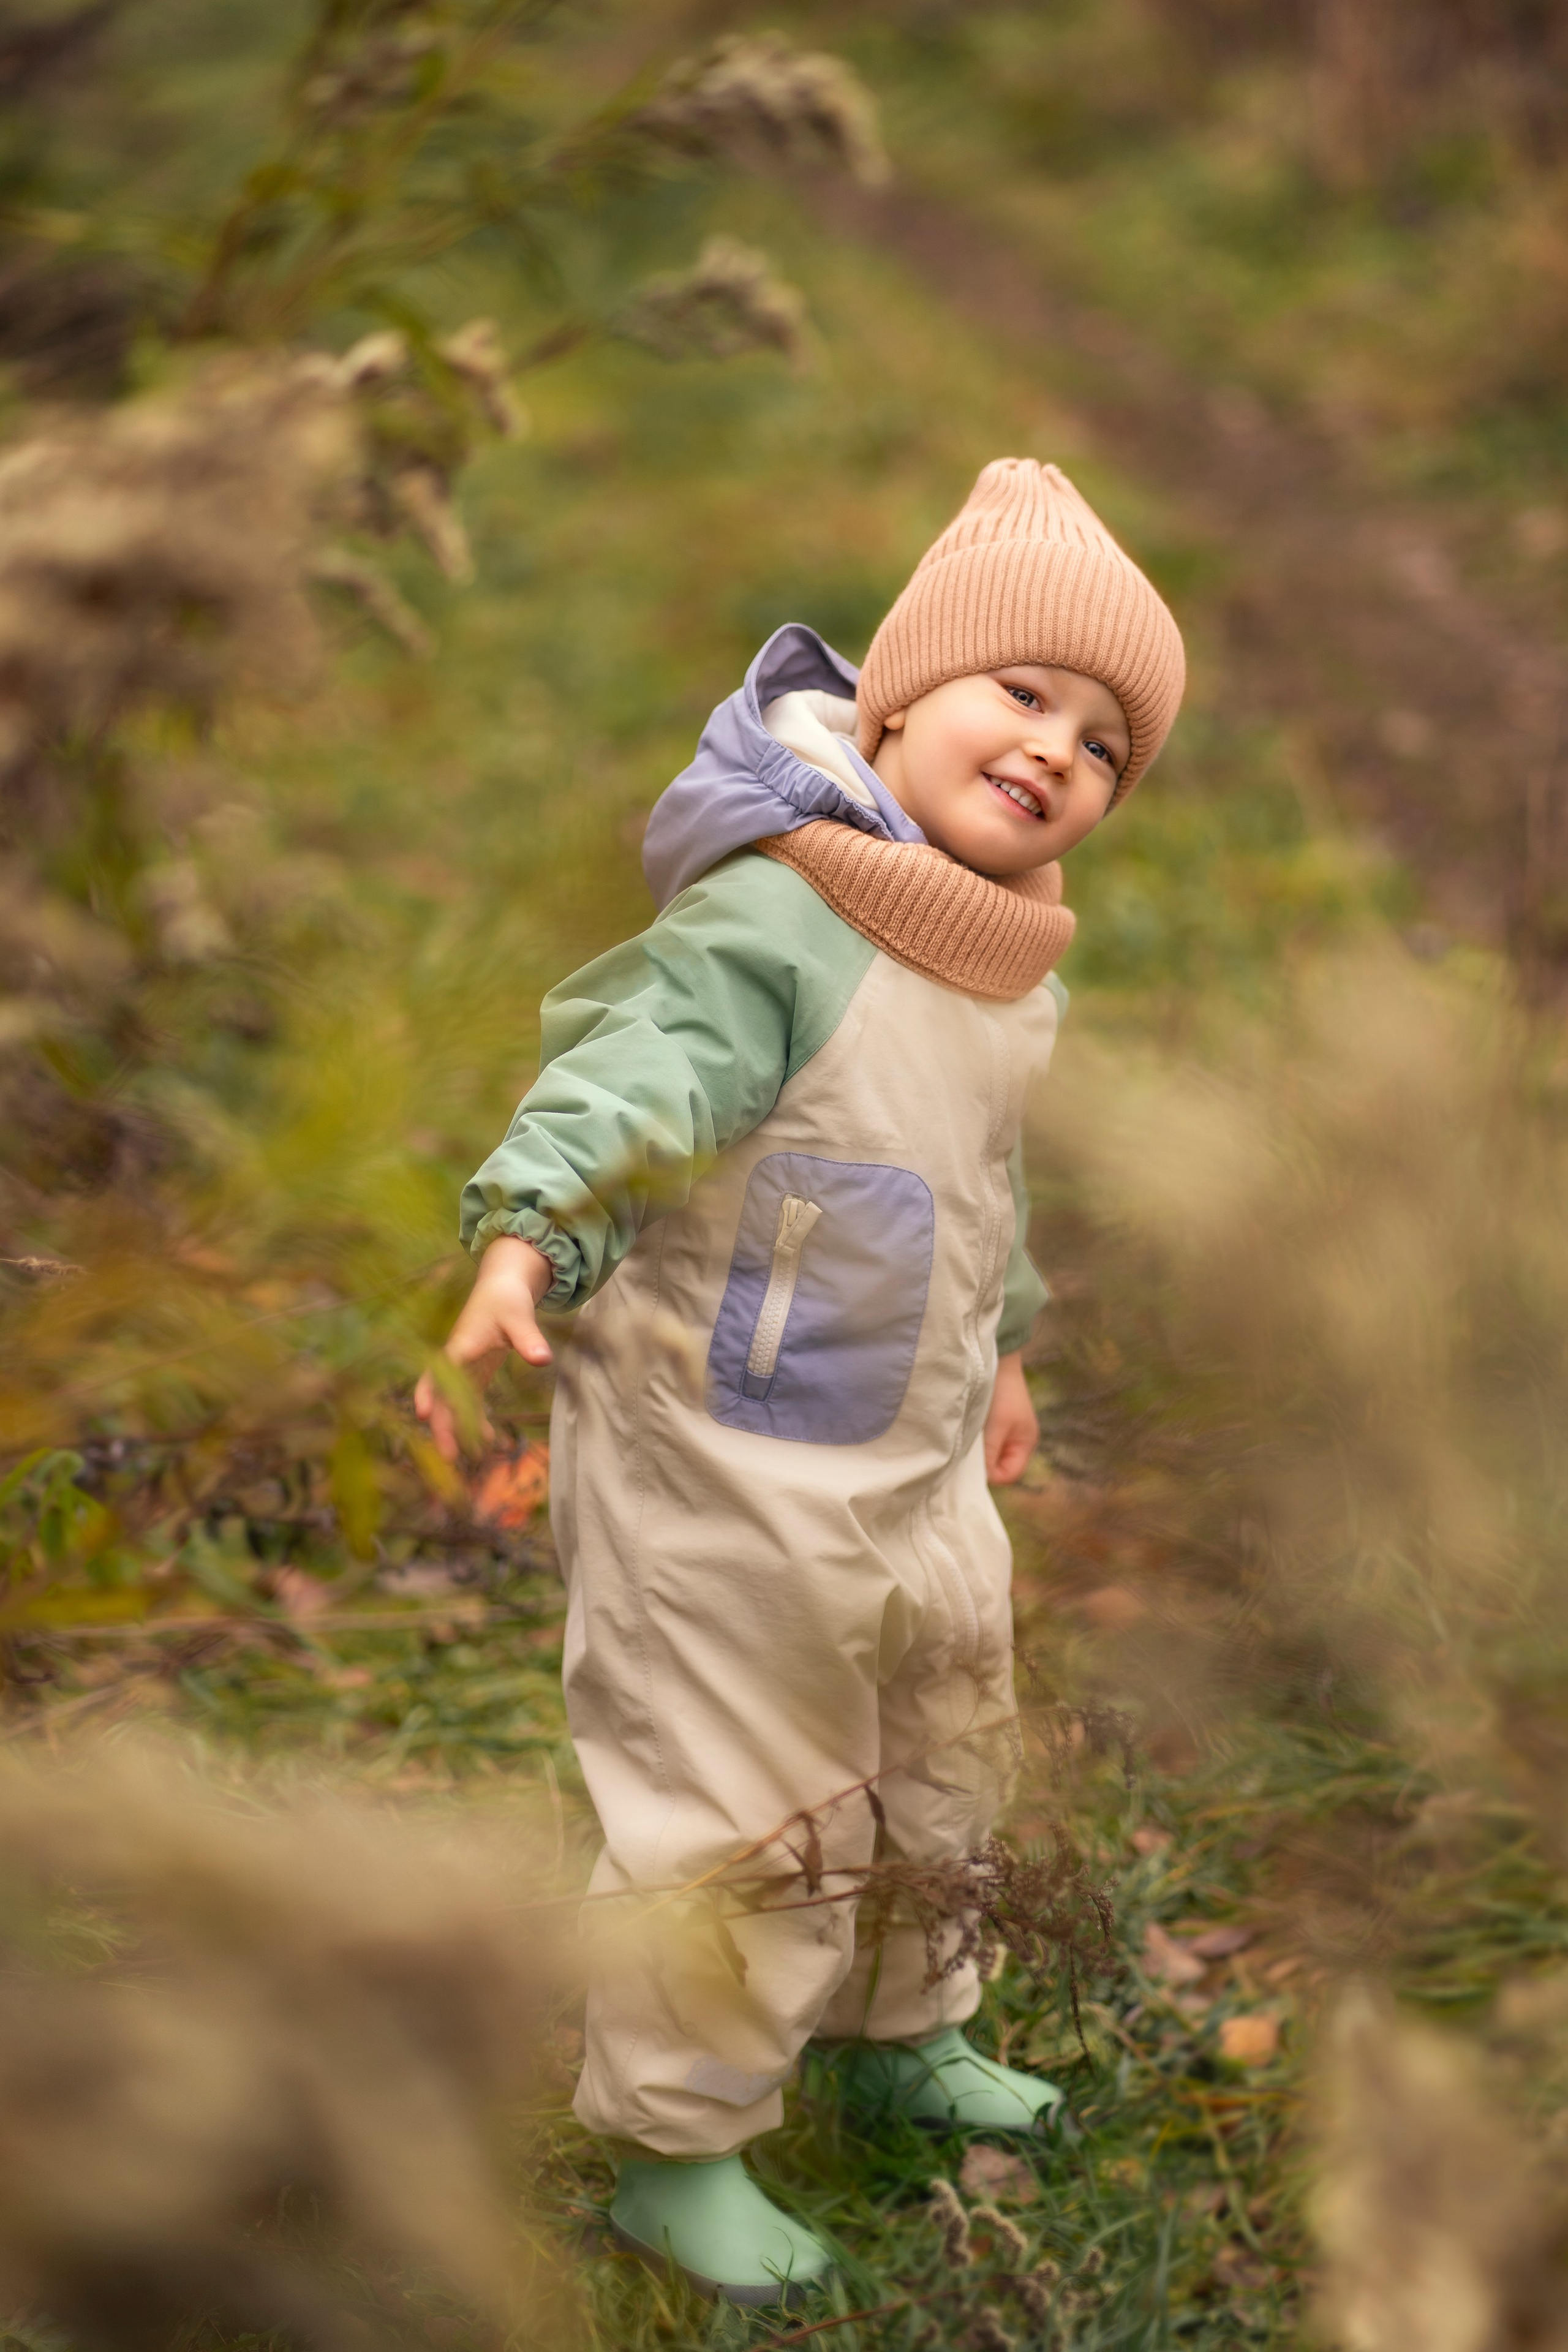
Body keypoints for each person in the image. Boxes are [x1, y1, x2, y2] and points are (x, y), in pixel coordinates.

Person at [416, 458, 1185, 2307]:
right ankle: (678, 2149)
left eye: (1105, 743)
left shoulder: (1010, 965)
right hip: (720, 1470)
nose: (1058, 752)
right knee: (742, 1799)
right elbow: (637, 1080)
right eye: (1025, 695)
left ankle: (905, 2033)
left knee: (945, 1747)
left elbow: (973, 1183)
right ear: (898, 696)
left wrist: (1000, 1346)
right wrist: (535, 1229)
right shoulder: (781, 917)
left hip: (909, 1463)